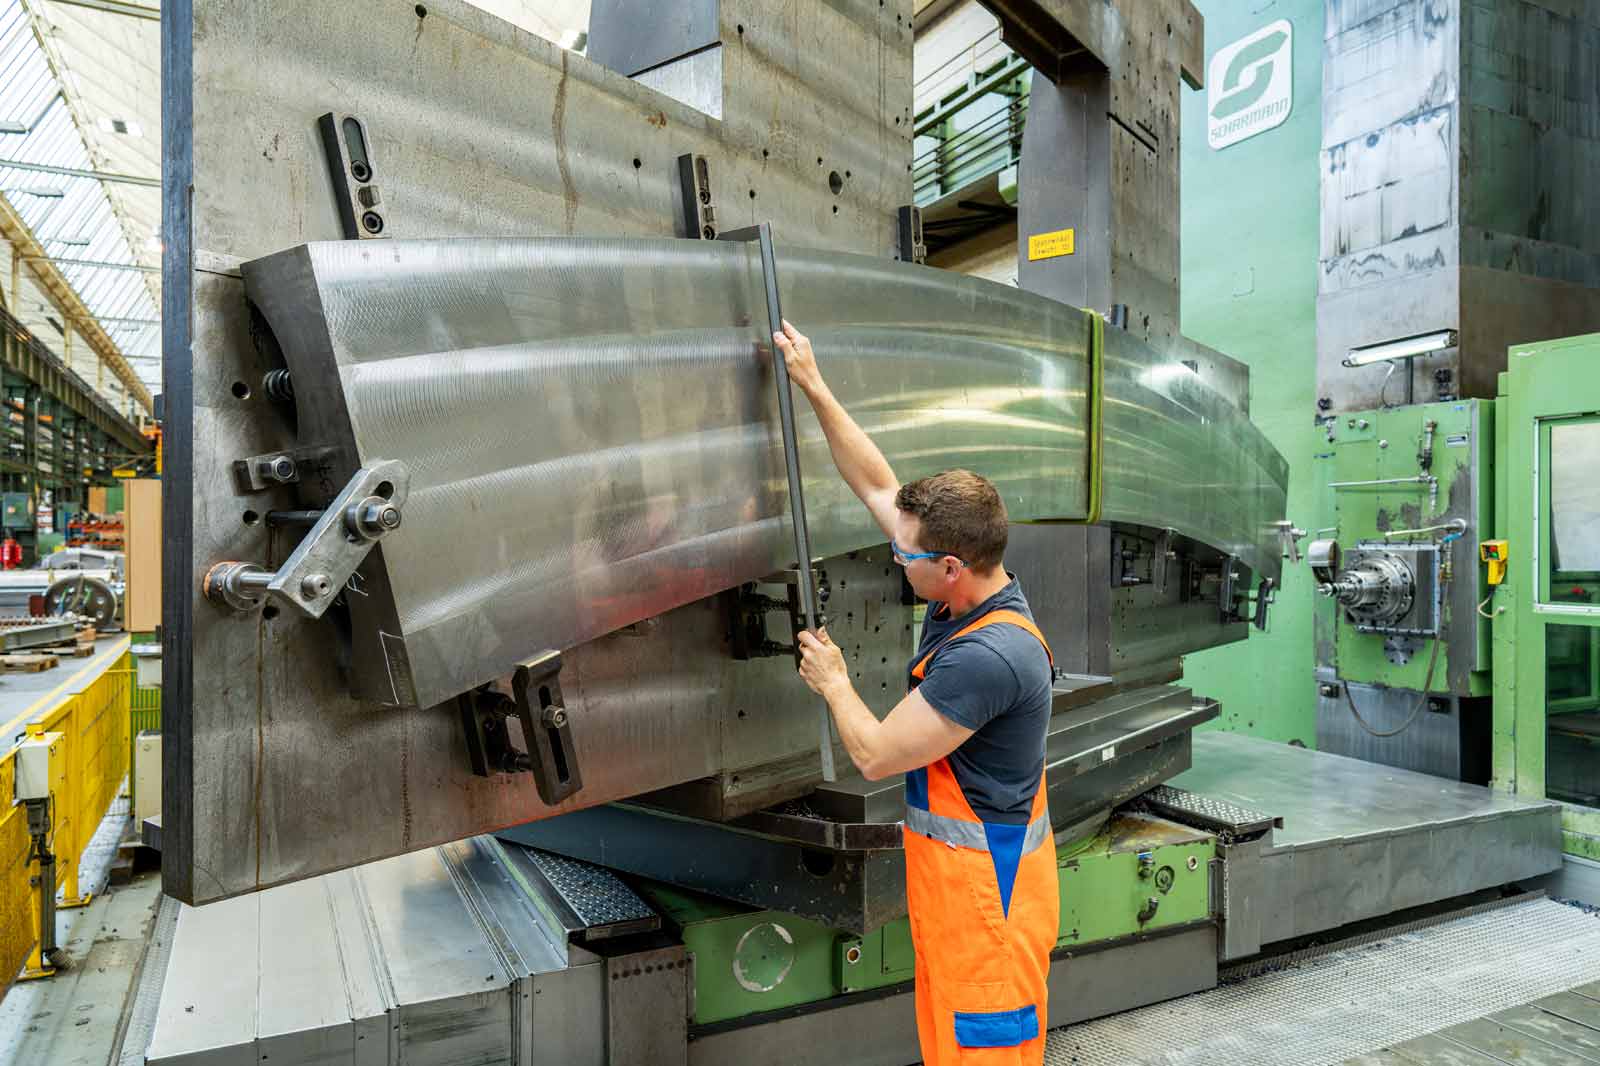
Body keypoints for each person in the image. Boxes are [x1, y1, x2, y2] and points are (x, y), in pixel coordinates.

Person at [773, 320, 1059, 1065]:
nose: (895, 558)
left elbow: (873, 755)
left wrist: (834, 682)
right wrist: (813, 383)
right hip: (956, 894)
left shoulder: (987, 657)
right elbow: (876, 482)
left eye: (906, 556)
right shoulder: (966, 592)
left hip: (988, 908)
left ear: (951, 566)